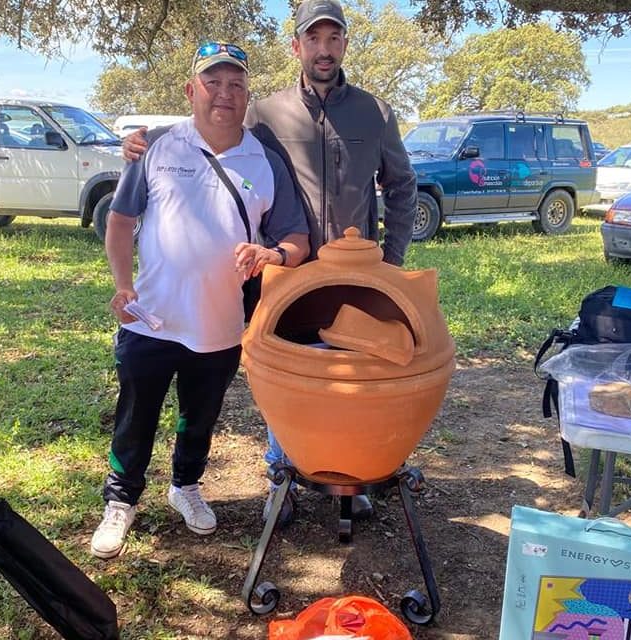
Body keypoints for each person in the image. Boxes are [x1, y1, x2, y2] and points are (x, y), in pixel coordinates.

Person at [123, 0, 417, 527]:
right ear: (297, 46)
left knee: (357, 373)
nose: (323, 49)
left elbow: (403, 186)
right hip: (289, 275)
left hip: (358, 276)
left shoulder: (376, 113)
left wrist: (391, 263)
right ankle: (282, 475)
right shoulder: (266, 112)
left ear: (344, 45)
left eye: (334, 38)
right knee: (291, 375)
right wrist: (143, 142)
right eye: (313, 39)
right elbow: (212, 122)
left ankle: (350, 479)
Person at [91, 41, 310, 560]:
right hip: (150, 318)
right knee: (136, 415)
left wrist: (270, 253)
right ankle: (120, 501)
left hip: (219, 324)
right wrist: (122, 284)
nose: (224, 94)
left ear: (247, 95)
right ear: (192, 90)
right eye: (213, 83)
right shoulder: (158, 148)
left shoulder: (265, 159)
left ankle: (185, 485)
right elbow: (120, 222)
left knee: (200, 415)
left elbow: (296, 242)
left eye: (235, 85)